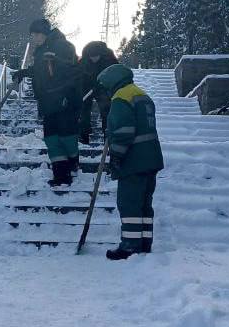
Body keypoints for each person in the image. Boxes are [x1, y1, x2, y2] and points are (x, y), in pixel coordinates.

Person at [96, 63, 164, 260]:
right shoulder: (142, 95)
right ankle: (144, 243)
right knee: (144, 204)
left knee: (129, 204)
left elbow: (124, 131)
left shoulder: (121, 98)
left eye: (105, 86)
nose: (105, 91)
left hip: (134, 160)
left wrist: (116, 156)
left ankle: (130, 246)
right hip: (152, 159)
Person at [14, 18, 81, 186]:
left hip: (64, 100)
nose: (33, 38)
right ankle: (61, 175)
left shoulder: (64, 46)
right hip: (47, 101)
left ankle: (73, 161)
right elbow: (41, 71)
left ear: (43, 33)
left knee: (66, 136)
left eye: (35, 34)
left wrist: (68, 94)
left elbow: (72, 71)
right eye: (32, 35)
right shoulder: (40, 50)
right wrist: (24, 73)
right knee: (51, 138)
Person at [77, 40, 118, 145]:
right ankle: (83, 137)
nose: (93, 59)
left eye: (96, 56)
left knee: (106, 111)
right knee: (84, 109)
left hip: (103, 86)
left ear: (101, 54)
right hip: (87, 86)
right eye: (91, 57)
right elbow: (79, 76)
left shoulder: (109, 60)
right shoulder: (84, 60)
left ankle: (107, 138)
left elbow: (115, 73)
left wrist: (103, 85)